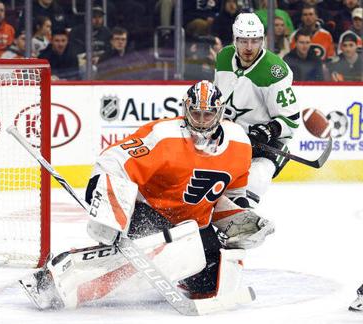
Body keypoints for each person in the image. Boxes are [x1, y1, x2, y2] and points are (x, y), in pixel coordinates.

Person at [18, 80, 274, 310]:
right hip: (148, 214)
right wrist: (107, 205)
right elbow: (113, 160)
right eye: (195, 113)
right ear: (186, 110)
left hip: (193, 227)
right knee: (138, 261)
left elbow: (232, 190)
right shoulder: (165, 136)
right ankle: (54, 278)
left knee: (209, 284)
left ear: (219, 113)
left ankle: (180, 270)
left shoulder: (239, 143)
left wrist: (242, 218)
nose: (201, 121)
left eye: (208, 114)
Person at [215, 12, 300, 208]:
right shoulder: (224, 57)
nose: (249, 47)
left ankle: (242, 217)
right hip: (229, 139)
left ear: (263, 40)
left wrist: (267, 131)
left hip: (264, 145)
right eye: (243, 41)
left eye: (255, 40)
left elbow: (291, 119)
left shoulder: (274, 70)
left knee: (253, 183)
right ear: (235, 39)